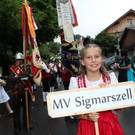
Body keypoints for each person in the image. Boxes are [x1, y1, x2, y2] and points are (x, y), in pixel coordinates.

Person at [68, 44, 124, 135]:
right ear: (82, 61)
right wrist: (85, 116)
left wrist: (109, 93)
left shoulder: (111, 79)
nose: (93, 60)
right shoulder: (75, 82)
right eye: (89, 57)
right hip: (87, 127)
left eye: (97, 56)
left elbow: (120, 108)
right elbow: (72, 112)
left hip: (108, 126)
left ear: (101, 59)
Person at [9, 52, 32, 134]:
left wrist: (17, 77)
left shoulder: (27, 67)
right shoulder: (13, 69)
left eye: (18, 60)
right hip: (16, 93)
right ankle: (17, 126)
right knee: (16, 111)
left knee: (26, 109)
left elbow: (28, 73)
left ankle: (26, 124)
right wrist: (21, 77)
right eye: (16, 60)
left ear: (21, 60)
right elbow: (11, 78)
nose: (16, 61)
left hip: (25, 91)